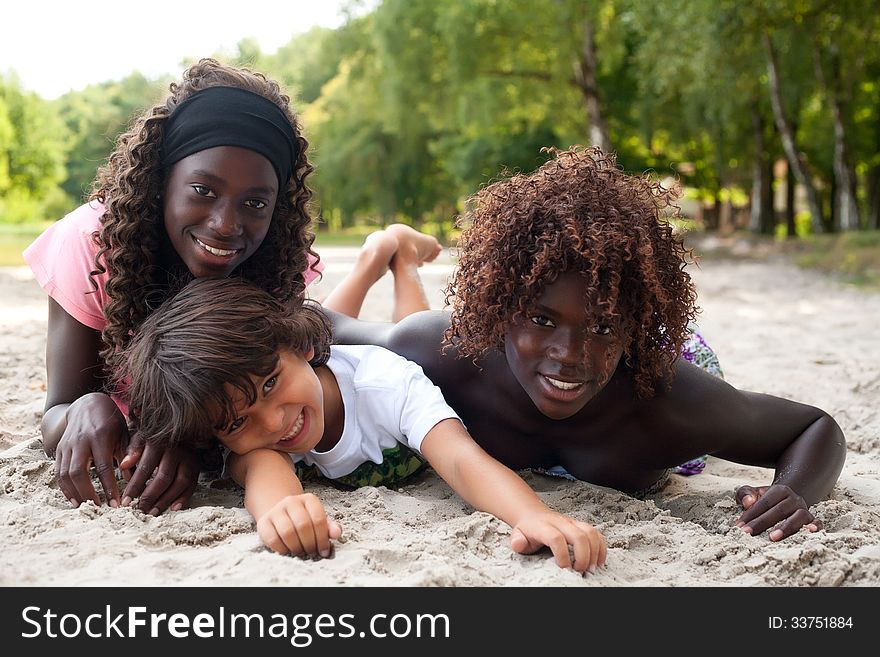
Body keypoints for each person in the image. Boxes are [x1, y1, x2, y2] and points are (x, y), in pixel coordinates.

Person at [327, 146, 847, 542]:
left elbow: (812, 426)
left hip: (668, 352)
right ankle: (393, 254)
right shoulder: (452, 352)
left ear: (629, 323)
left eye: (600, 326)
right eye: (540, 318)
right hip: (482, 343)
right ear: (501, 308)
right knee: (409, 338)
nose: (569, 353)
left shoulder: (671, 400)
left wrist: (796, 490)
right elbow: (321, 323)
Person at [23, 57, 441, 517]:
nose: (225, 225)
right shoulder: (94, 247)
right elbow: (56, 412)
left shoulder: (272, 255)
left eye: (255, 202)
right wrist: (88, 404)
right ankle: (375, 256)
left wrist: (189, 439)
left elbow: (309, 356)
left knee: (399, 344)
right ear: (163, 181)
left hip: (297, 330)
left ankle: (394, 257)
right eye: (203, 190)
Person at [118, 277, 607, 573]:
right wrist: (282, 512)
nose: (275, 422)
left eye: (270, 384)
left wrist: (531, 516)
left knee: (414, 321)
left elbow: (459, 459)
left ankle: (398, 259)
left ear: (301, 347)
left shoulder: (385, 384)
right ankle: (379, 254)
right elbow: (262, 469)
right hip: (332, 360)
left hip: (422, 354)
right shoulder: (256, 438)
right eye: (238, 420)